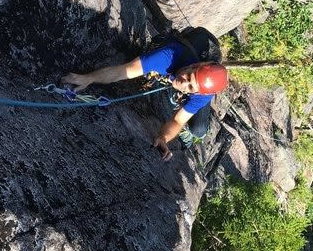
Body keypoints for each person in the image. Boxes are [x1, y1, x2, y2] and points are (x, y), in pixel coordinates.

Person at [63, 32, 228, 161]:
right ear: (193, 65)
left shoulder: (203, 95)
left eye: (190, 87)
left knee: (198, 130)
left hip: (201, 79)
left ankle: (188, 134)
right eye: (189, 76)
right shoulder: (170, 56)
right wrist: (88, 78)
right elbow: (123, 71)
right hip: (184, 48)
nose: (183, 83)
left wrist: (164, 137)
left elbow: (178, 120)